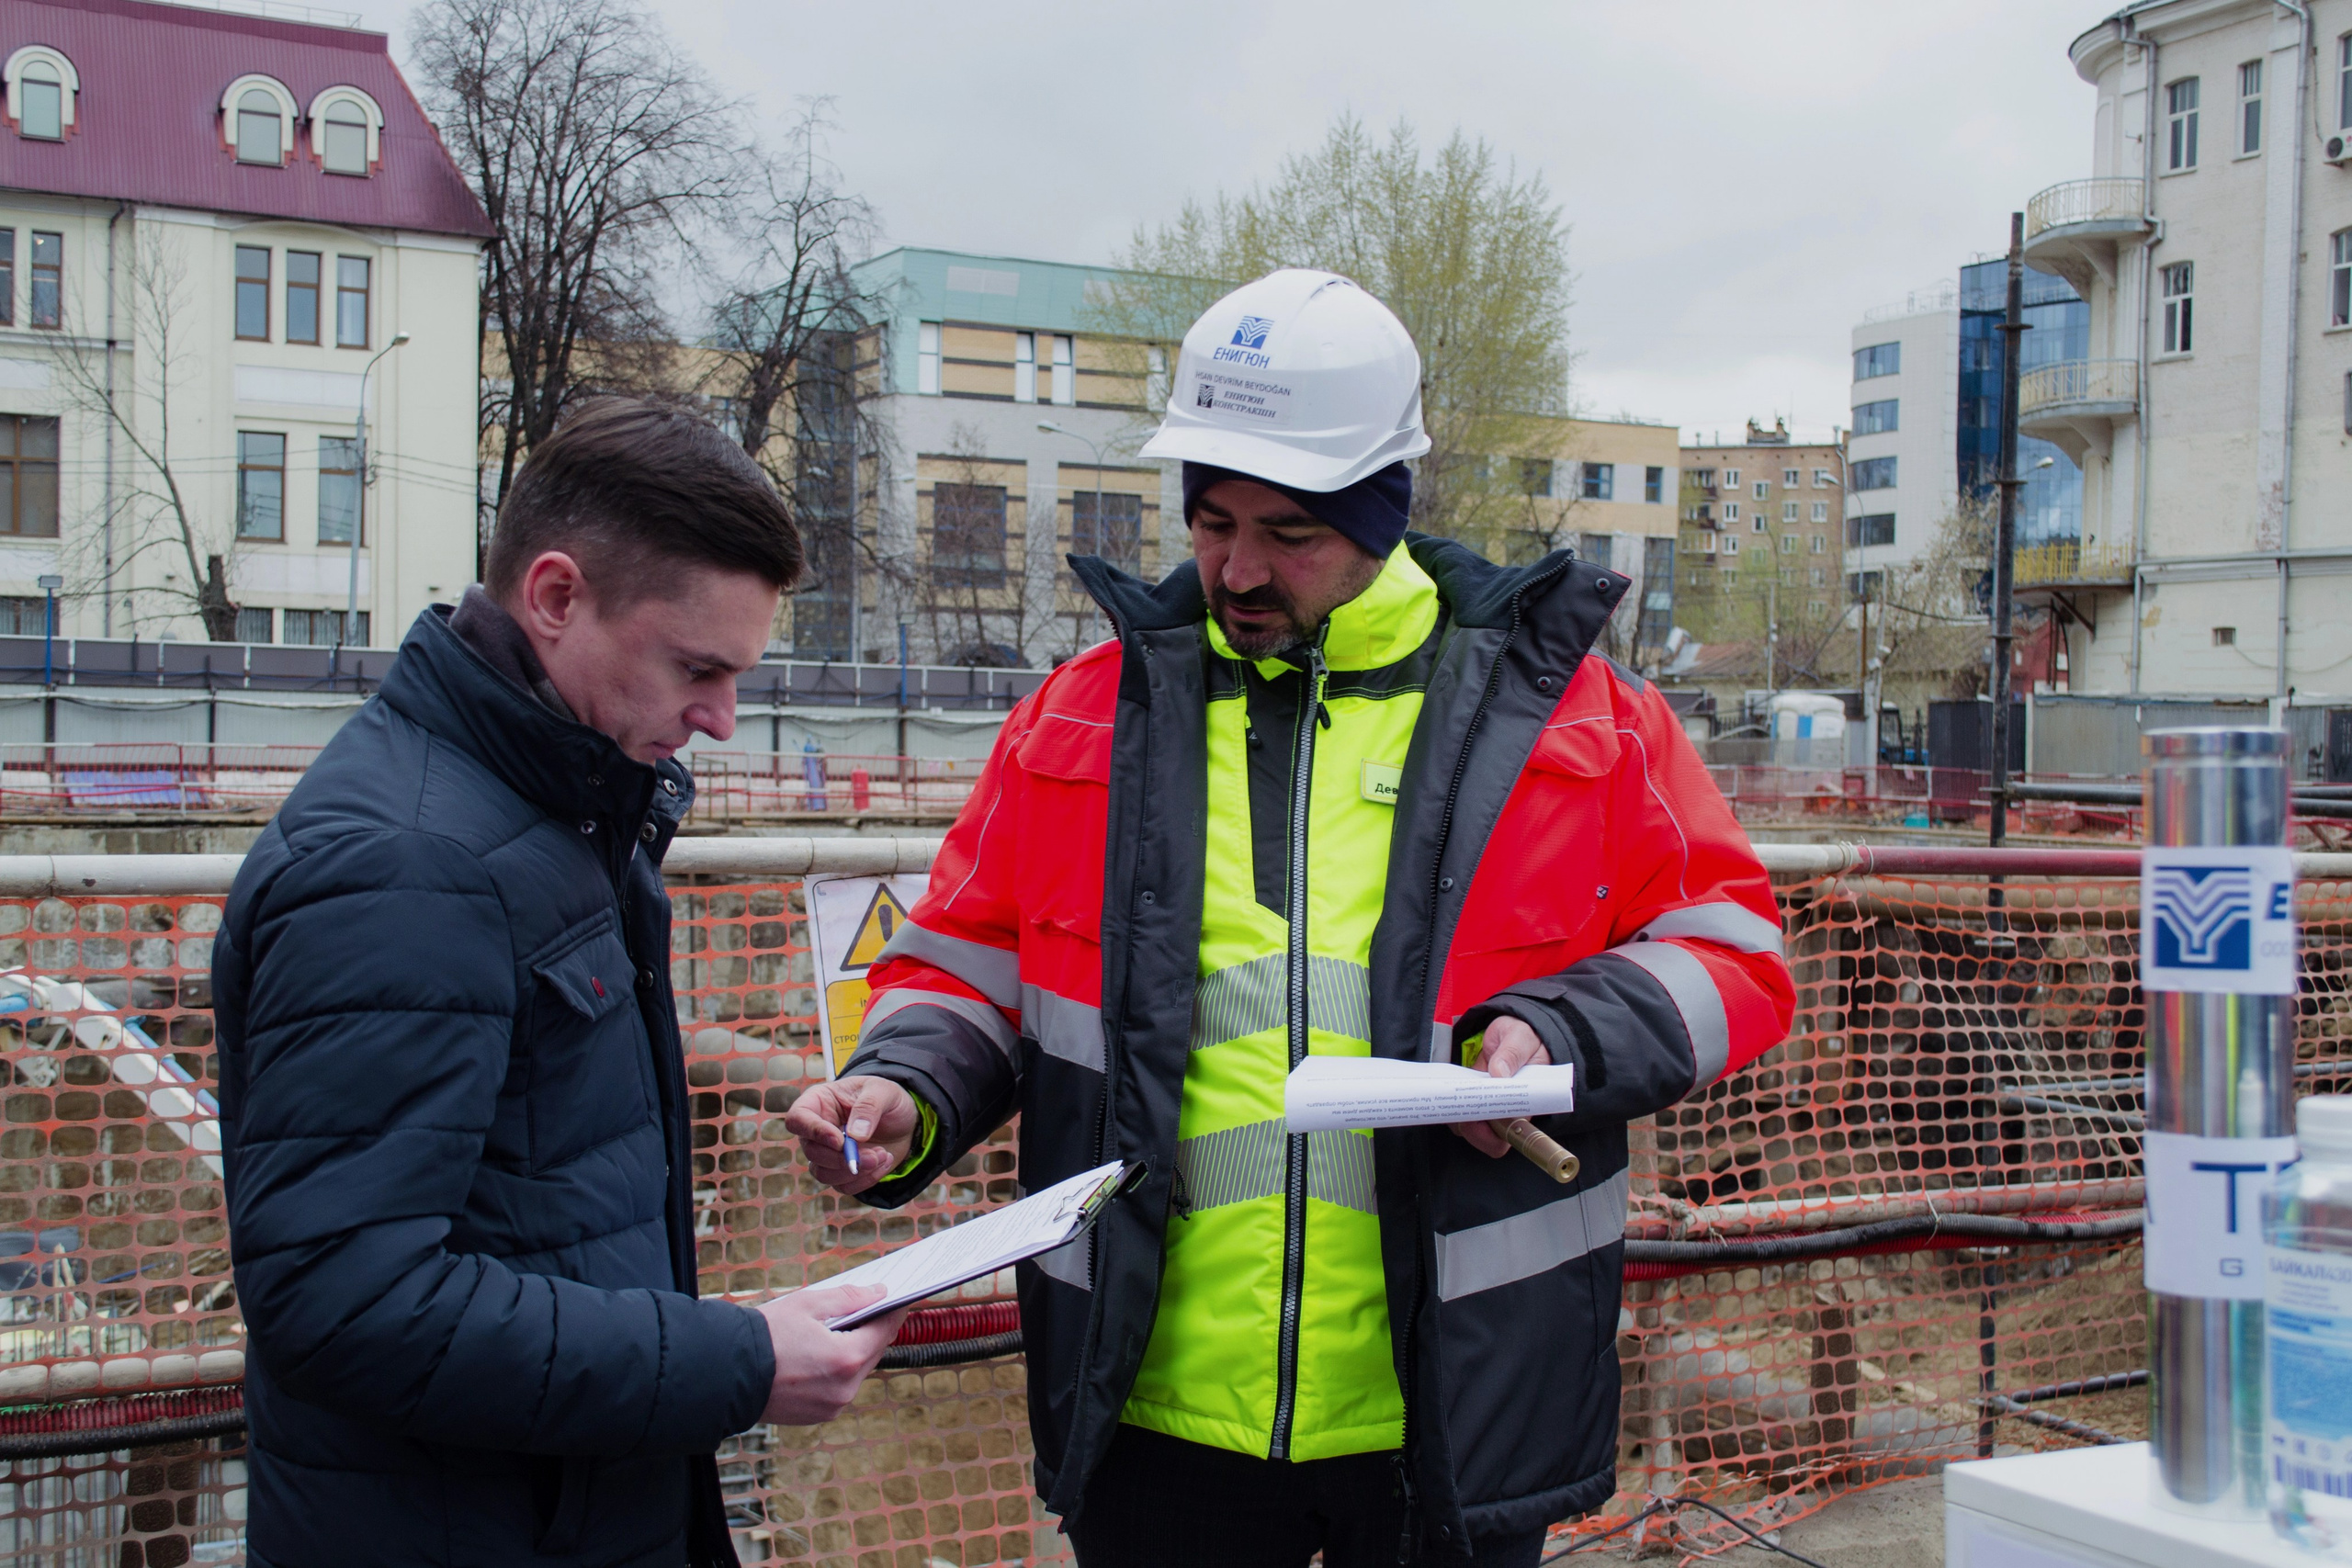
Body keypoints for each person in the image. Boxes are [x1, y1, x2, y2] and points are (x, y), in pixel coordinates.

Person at [786, 270, 1795, 1567]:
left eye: (1290, 533)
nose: (1238, 568)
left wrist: (1559, 1032)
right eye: (1210, 520)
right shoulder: (1084, 714)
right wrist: (901, 1085)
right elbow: (967, 962)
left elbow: (1737, 946)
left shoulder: (1575, 714)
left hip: (1447, 1414)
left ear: (1384, 510)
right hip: (1152, 1419)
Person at [212, 399, 906, 1568]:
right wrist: (737, 1363)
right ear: (554, 597)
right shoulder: (411, 867)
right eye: (696, 668)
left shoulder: (554, 814)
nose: (721, 720)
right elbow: (347, 1301)